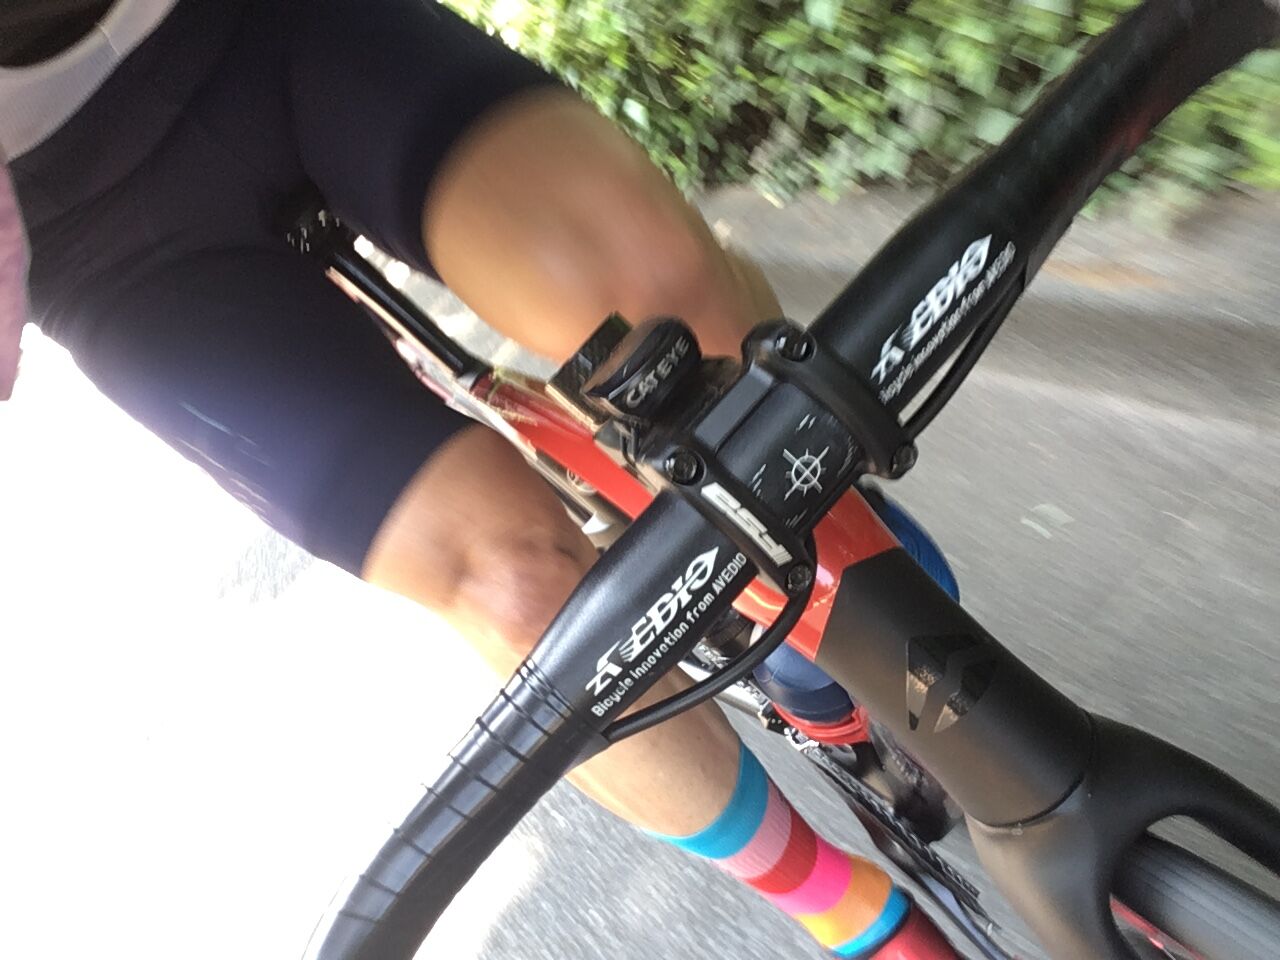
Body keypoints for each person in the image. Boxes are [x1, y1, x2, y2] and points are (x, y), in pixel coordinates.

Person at [1, 2, 958, 957]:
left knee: (689, 322)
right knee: (512, 589)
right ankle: (848, 910)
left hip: (271, 26)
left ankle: (837, 675)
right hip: (86, 230)